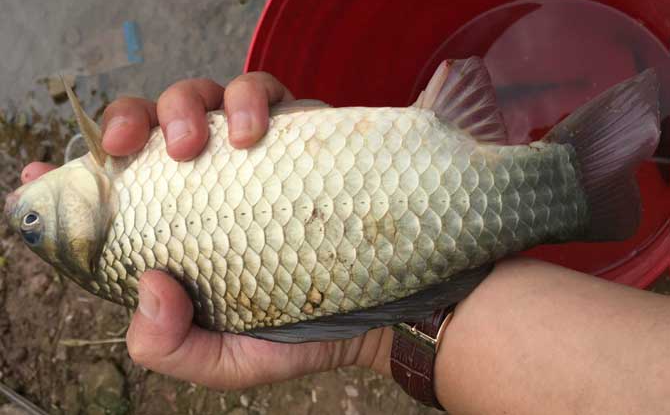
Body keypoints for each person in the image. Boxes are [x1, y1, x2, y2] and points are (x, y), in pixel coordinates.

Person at [21, 73, 670, 414]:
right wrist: (375, 330)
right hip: (401, 195)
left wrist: (384, 326)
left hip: (390, 204)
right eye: (36, 226)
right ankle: (582, 176)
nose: (27, 210)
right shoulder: (127, 213)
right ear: (82, 231)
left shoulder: (121, 190)